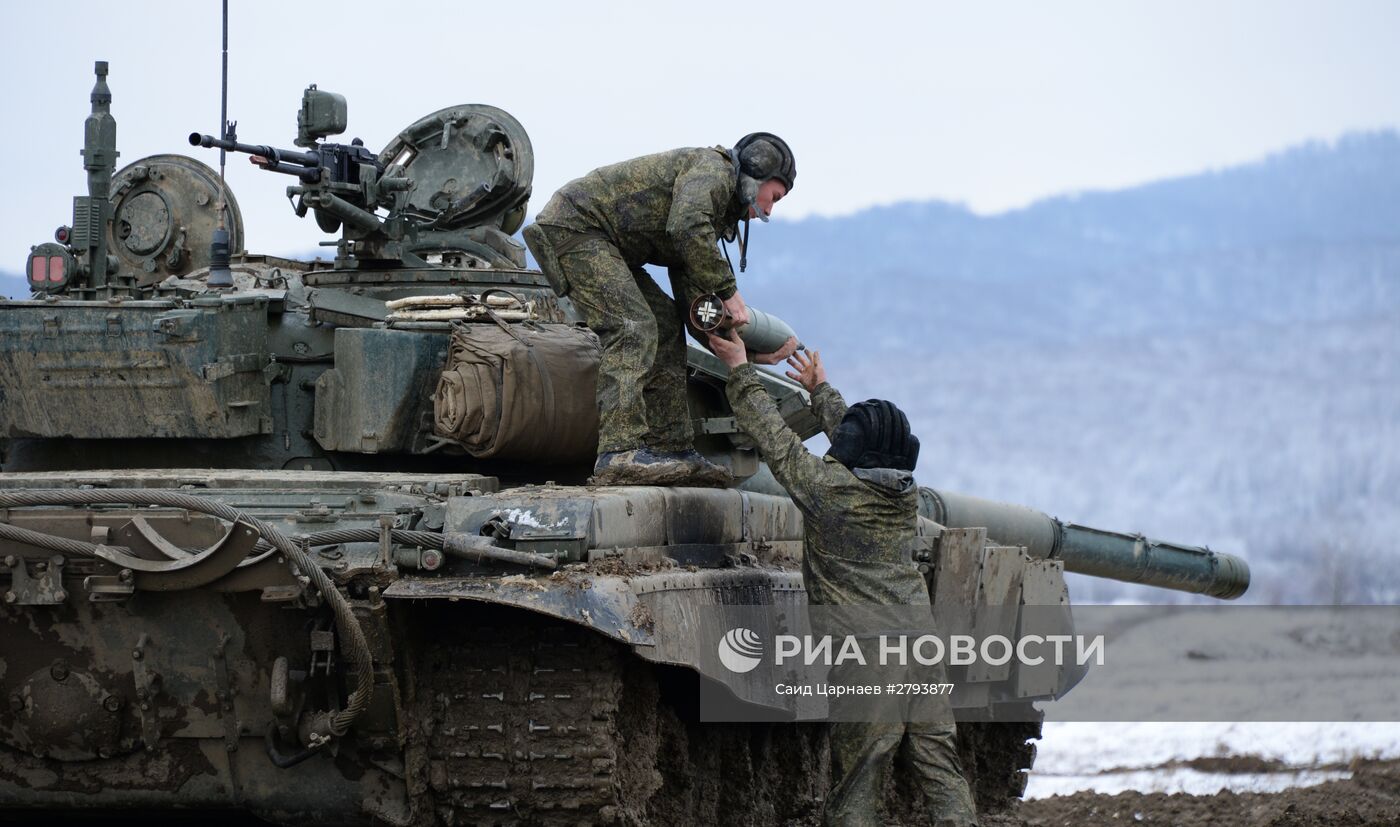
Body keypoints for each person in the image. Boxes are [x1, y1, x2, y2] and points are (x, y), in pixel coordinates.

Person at [708, 333, 979, 827]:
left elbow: (773, 436)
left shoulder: (826, 491)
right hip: (921, 644)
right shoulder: (905, 494)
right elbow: (859, 449)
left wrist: (740, 368)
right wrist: (822, 391)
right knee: (940, 766)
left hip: (865, 655)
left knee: (860, 774)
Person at [523, 134, 799, 486]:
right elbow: (686, 227)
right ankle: (619, 453)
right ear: (755, 176)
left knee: (666, 326)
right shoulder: (713, 171)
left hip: (610, 246)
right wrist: (729, 291)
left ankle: (672, 446)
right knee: (632, 327)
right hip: (578, 227)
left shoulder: (711, 215)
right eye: (773, 197)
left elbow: (694, 305)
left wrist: (751, 354)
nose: (769, 211)